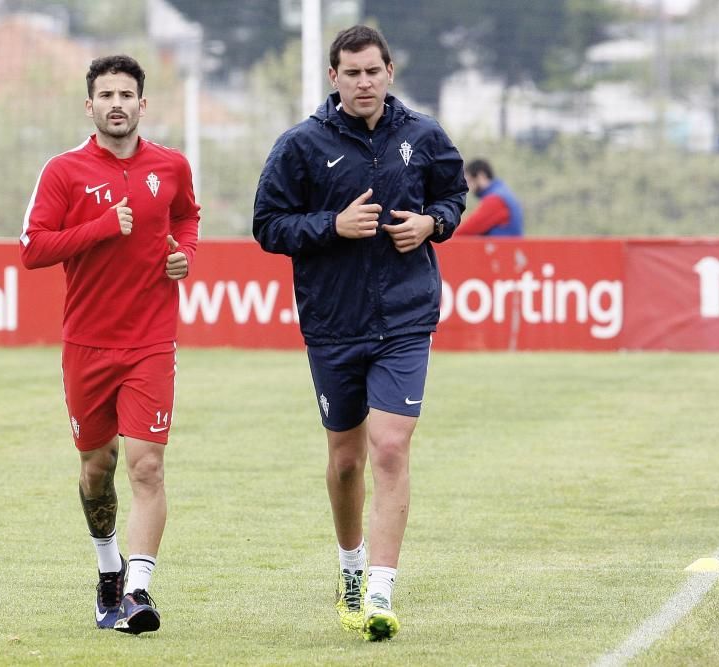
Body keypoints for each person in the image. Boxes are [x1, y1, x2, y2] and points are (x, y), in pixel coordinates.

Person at [253, 25, 467, 641]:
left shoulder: (423, 135)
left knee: (391, 447)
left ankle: (379, 590)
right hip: (333, 324)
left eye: (373, 71)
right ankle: (349, 567)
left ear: (390, 71)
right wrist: (331, 225)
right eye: (352, 73)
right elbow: (268, 226)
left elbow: (453, 195)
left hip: (405, 318)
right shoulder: (300, 145)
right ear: (334, 78)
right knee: (346, 461)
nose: (364, 82)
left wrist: (432, 223)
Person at [19, 54, 200, 636]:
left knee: (147, 467)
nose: (117, 103)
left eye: (127, 94)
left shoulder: (171, 166)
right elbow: (34, 248)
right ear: (90, 105)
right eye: (107, 95)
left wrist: (184, 256)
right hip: (87, 345)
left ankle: (139, 593)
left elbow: (188, 218)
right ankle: (108, 570)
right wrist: (101, 226)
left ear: (143, 104)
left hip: (151, 340)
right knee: (97, 469)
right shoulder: (63, 172)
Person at [454, 158, 523, 236]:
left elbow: (466, 230)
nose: (468, 187)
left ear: (481, 176)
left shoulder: (496, 199)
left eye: (470, 181)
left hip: (502, 247)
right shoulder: (503, 193)